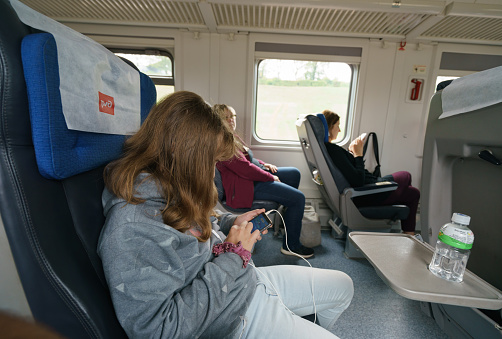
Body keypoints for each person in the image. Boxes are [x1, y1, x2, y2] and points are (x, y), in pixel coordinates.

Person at [98, 91, 354, 339]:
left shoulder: (172, 188)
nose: (212, 173)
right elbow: (160, 330)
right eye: (210, 162)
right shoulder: (132, 228)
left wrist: (232, 222)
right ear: (182, 154)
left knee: (344, 285)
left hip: (245, 281)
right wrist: (233, 256)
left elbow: (204, 225)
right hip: (232, 319)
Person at [214, 104, 313, 258]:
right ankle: (291, 245)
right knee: (298, 198)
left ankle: (288, 222)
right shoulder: (221, 142)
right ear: (218, 120)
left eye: (232, 116)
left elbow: (247, 158)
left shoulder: (231, 136)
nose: (230, 120)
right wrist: (270, 176)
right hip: (241, 188)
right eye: (225, 117)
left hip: (247, 180)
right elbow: (244, 168)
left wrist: (263, 164)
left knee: (294, 174)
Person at [322, 110, 420, 235]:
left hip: (369, 187)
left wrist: (352, 154)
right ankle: (408, 233)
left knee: (413, 193)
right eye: (337, 126)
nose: (340, 130)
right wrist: (358, 154)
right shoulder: (333, 150)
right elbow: (357, 181)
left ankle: (409, 235)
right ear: (329, 127)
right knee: (405, 175)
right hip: (368, 192)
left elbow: (349, 170)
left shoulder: (330, 150)